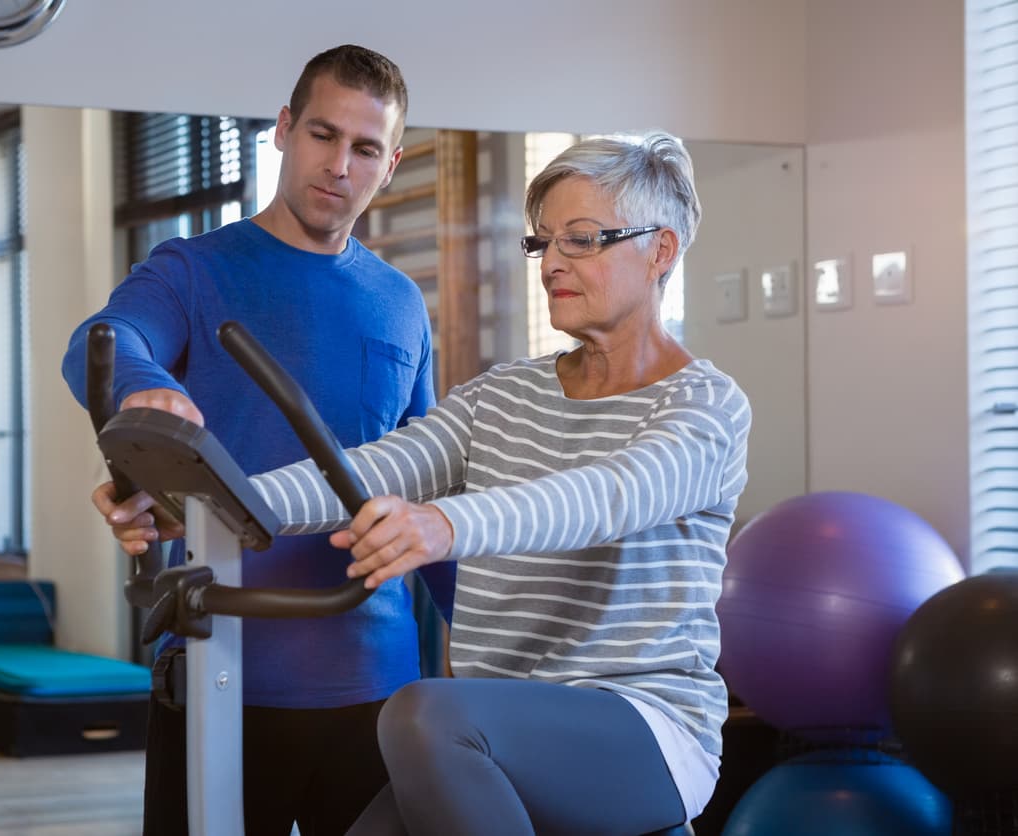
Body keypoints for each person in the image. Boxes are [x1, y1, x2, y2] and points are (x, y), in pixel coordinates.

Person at [104, 132, 752, 835]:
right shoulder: (503, 395)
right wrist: (216, 501)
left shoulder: (704, 406)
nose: (552, 263)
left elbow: (606, 496)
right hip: (492, 737)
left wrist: (445, 524)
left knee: (420, 711)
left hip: (644, 734)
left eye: (582, 239)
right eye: (542, 243)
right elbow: (376, 468)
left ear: (661, 251)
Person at [62, 44, 455, 836]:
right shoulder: (195, 269)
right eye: (322, 134)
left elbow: (433, 482)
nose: (338, 165)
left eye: (365, 148)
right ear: (282, 129)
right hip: (220, 670)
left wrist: (486, 643)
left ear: (390, 165)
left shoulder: (399, 302)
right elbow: (101, 342)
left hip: (375, 683)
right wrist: (149, 390)